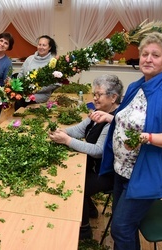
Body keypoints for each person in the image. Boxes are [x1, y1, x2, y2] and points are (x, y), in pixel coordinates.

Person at [90, 32, 162, 249]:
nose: (148, 58)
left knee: (121, 227)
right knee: (124, 226)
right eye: (144, 53)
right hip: (122, 170)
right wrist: (111, 117)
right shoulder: (137, 86)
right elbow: (127, 116)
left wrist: (147, 137)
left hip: (144, 174)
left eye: (155, 55)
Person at [49, 74, 124, 240]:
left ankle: (84, 231)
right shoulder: (99, 112)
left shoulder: (114, 120)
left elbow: (98, 150)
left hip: (106, 173)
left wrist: (67, 141)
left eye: (99, 95)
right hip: (93, 167)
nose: (95, 98)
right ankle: (89, 209)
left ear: (113, 97)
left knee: (75, 186)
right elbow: (79, 129)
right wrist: (61, 131)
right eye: (94, 94)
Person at [14, 35, 60, 110]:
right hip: (25, 93)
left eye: (44, 45)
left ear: (49, 47)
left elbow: (55, 84)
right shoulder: (29, 59)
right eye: (39, 44)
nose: (41, 47)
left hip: (41, 96)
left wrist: (35, 90)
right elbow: (20, 75)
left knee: (28, 104)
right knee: (17, 101)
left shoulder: (53, 61)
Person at [0, 32, 15, 124]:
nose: (2, 44)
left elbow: (6, 84)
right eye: (1, 40)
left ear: (9, 47)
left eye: (6, 43)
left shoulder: (7, 63)